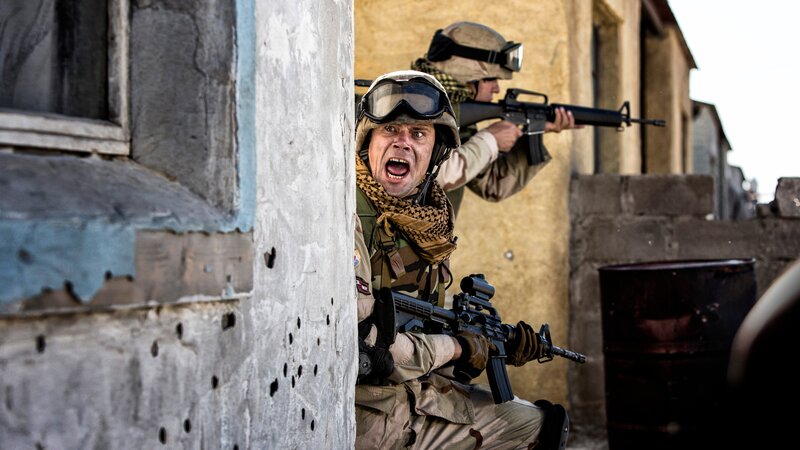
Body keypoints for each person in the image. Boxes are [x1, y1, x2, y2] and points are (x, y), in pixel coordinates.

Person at [354, 70, 569, 449]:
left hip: (413, 394)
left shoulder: (427, 219)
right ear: (367, 141)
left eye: (419, 134)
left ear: (436, 152)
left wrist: (501, 344)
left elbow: (416, 321)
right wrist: (458, 346)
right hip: (365, 413)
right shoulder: (347, 215)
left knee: (543, 425)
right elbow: (367, 349)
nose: (403, 143)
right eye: (390, 131)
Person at [411, 21, 582, 216]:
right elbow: (428, 175)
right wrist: (490, 139)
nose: (497, 88)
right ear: (469, 75)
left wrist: (532, 130)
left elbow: (493, 185)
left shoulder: (455, 119)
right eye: (491, 79)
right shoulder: (415, 105)